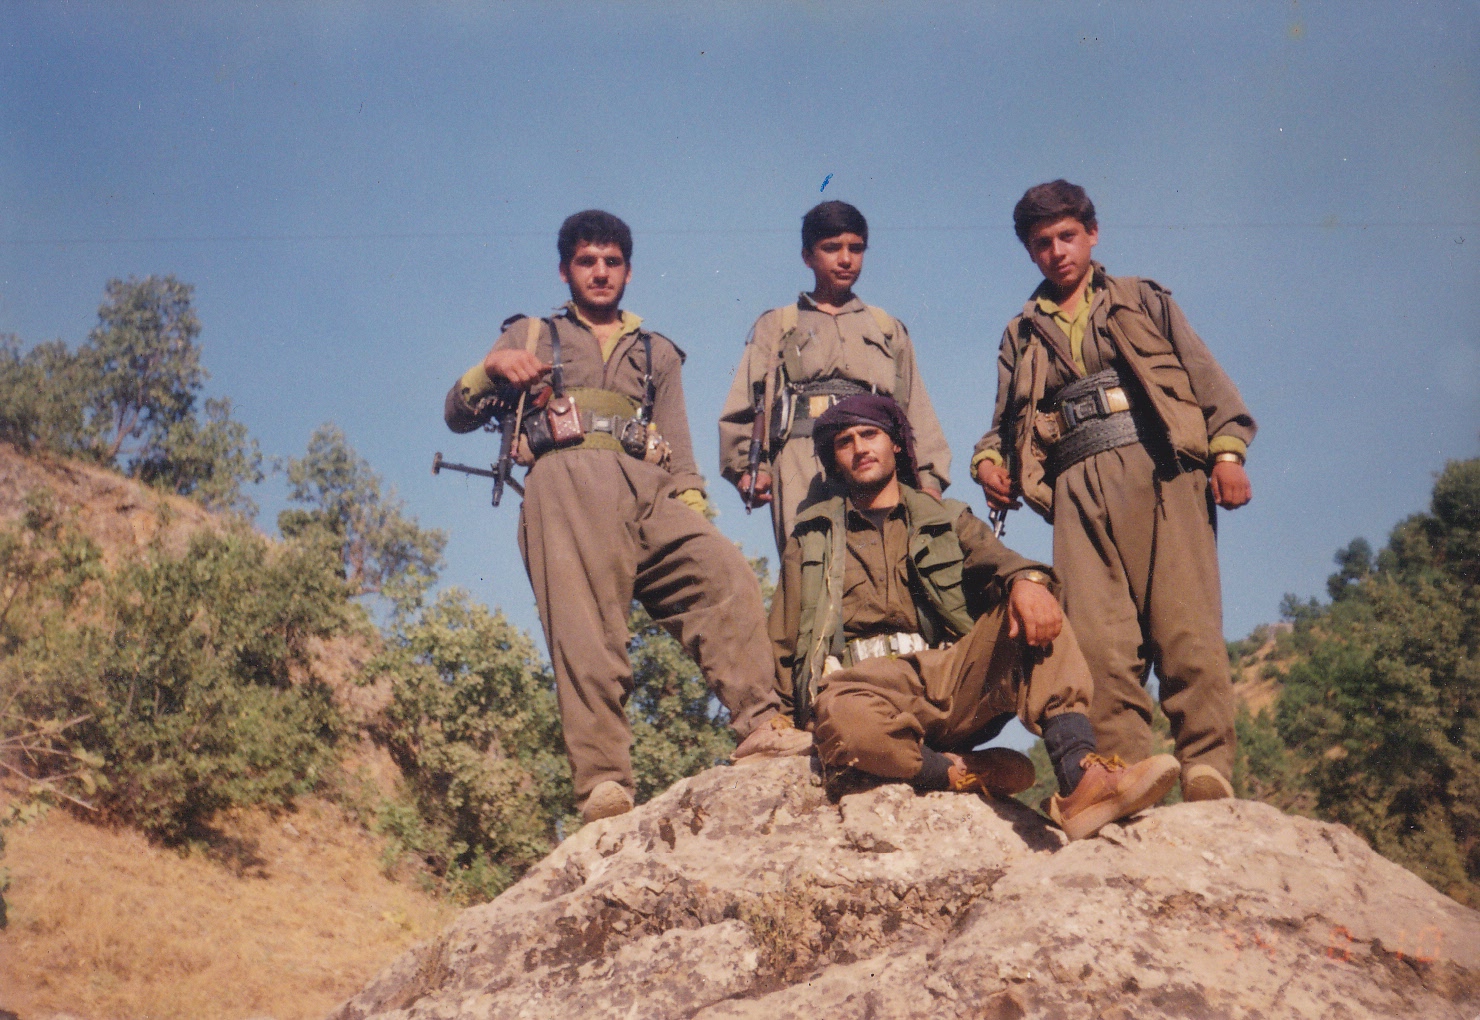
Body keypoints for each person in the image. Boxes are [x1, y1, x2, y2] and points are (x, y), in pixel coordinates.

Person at [444, 210, 807, 824]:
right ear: (565, 270)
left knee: (724, 576)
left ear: (629, 272)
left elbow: (680, 449)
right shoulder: (531, 334)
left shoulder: (655, 350)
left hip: (647, 484)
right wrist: (492, 369)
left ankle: (761, 725)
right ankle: (603, 783)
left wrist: (693, 508)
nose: (600, 272)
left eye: (612, 262)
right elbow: (456, 413)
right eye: (586, 261)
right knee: (587, 631)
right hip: (565, 479)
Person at [748, 392, 1182, 840]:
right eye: (845, 442)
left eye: (869, 434)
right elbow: (783, 641)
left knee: (1034, 601)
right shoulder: (812, 538)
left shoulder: (945, 518)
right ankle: (955, 771)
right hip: (859, 690)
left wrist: (1025, 582)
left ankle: (1079, 779)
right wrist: (778, 720)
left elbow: (1005, 563)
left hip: (947, 679)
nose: (860, 448)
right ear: (834, 458)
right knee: (844, 721)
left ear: (894, 442)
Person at [973, 180, 1256, 802]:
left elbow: (1207, 380)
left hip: (1162, 469)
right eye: (1042, 243)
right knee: (1098, 644)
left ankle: (1206, 766)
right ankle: (1125, 777)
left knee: (1186, 627)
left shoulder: (1141, 299)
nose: (1057, 252)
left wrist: (1228, 453)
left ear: (1092, 234)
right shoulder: (1021, 333)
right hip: (1075, 487)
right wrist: (989, 460)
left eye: (1067, 236)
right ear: (1029, 251)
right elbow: (1004, 421)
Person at [718, 200, 952, 557]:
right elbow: (744, 404)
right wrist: (746, 468)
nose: (845, 259)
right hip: (800, 457)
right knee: (806, 564)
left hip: (873, 457)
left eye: (855, 249)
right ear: (807, 256)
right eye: (831, 248)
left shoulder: (886, 328)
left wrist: (929, 478)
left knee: (883, 565)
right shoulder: (778, 325)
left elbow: (915, 406)